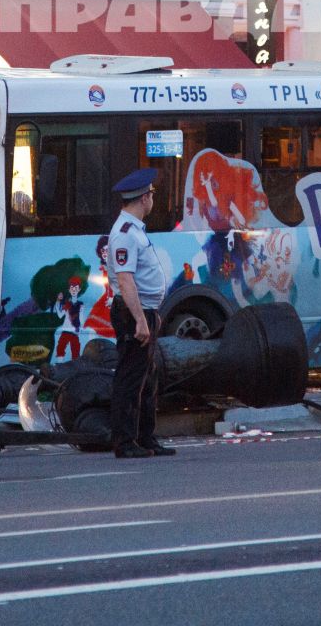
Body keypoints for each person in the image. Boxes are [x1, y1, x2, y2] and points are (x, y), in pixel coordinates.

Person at [106, 167, 174, 459]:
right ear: (144, 198)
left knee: (148, 378)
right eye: (152, 195)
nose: (152, 200)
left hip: (144, 311)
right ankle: (125, 442)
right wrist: (139, 320)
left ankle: (146, 438)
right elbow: (125, 281)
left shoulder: (134, 231)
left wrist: (150, 314)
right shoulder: (125, 234)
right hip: (133, 313)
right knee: (131, 378)